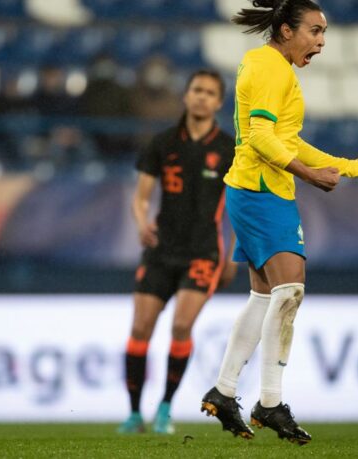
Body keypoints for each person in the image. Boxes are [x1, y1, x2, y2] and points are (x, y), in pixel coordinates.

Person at [199, 0, 358, 445]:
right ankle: (270, 401)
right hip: (261, 190)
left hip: (258, 189)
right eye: (314, 31)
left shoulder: (271, 65)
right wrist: (310, 175)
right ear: (285, 30)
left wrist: (347, 166)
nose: (320, 42)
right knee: (290, 289)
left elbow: (286, 138)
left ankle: (224, 392)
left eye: (324, 34)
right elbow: (261, 138)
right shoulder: (270, 68)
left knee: (265, 296)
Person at [118, 69, 238, 435]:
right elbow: (140, 198)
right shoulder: (162, 143)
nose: (201, 97)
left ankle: (166, 407)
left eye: (209, 93)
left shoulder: (229, 149)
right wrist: (141, 222)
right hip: (160, 249)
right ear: (186, 96)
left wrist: (235, 251)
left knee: (182, 325)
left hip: (203, 251)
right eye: (196, 90)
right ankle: (135, 413)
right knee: (140, 327)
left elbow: (241, 205)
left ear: (219, 102)